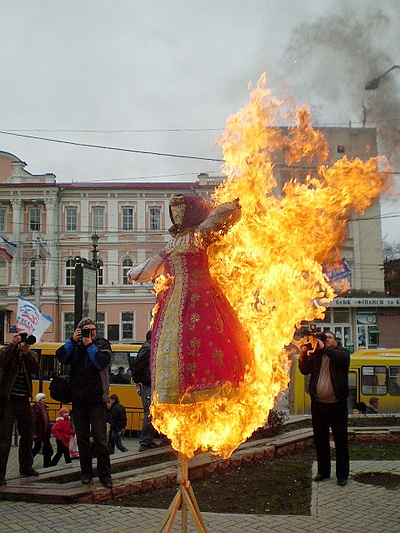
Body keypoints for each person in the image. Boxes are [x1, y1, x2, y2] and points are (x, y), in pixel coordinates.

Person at [127, 195, 253, 453]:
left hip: (191, 301)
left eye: (181, 212)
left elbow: (142, 273)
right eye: (175, 213)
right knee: (192, 347)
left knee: (198, 345)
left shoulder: (196, 237)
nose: (178, 217)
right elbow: (144, 272)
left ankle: (202, 403)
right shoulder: (183, 241)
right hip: (194, 300)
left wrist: (132, 273)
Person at [56, 317, 113, 489]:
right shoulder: (76, 345)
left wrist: (89, 344)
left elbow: (100, 362)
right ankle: (86, 473)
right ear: (80, 331)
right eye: (87, 330)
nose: (91, 333)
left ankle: (105, 474)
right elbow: (61, 357)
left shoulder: (102, 344)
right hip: (79, 400)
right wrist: (72, 341)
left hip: (97, 400)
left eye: (93, 330)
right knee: (82, 439)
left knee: (100, 439)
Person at [298, 331, 350, 487]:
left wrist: (324, 348)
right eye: (324, 338)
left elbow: (341, 358)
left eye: (329, 338)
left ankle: (342, 475)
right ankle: (323, 472)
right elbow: (304, 369)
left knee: (340, 441)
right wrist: (303, 353)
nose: (326, 340)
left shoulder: (342, 354)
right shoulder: (317, 356)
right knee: (321, 440)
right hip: (319, 405)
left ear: (335, 341)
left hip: (337, 405)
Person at [0, 333, 40, 485]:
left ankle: (26, 466)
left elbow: (36, 368)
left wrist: (26, 352)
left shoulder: (30, 354)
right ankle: (0, 474)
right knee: (4, 438)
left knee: (28, 435)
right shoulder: (7, 351)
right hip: (8, 400)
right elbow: (2, 362)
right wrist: (12, 347)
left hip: (23, 399)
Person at [133, 330, 159, 452]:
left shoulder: (147, 348)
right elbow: (138, 366)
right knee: (150, 414)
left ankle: (148, 440)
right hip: (148, 385)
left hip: (148, 384)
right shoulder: (148, 349)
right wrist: (139, 379)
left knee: (152, 414)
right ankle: (144, 442)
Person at [32, 393, 53, 468]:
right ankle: (28, 461)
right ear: (39, 400)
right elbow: (34, 421)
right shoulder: (35, 408)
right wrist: (34, 432)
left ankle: (47, 464)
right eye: (42, 398)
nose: (44, 400)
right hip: (39, 431)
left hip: (46, 431)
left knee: (47, 447)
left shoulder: (44, 407)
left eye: (44, 398)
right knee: (37, 447)